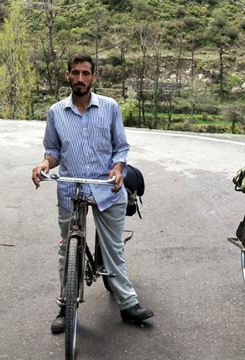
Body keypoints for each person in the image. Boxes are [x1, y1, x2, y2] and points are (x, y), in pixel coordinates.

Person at [31, 53, 153, 333]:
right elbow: (53, 152)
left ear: (93, 78)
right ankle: (65, 305)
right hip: (71, 188)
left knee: (113, 248)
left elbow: (121, 147)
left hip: (106, 188)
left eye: (86, 74)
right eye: (75, 73)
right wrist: (43, 164)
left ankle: (127, 303)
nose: (80, 79)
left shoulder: (109, 107)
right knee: (66, 248)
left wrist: (118, 169)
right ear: (68, 76)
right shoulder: (56, 112)